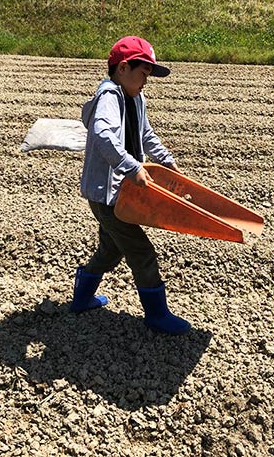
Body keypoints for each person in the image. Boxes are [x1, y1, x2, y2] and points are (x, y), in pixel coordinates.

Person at [71, 36, 190, 335]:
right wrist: (132, 167)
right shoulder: (110, 96)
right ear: (123, 68)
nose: (146, 81)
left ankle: (81, 298)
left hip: (118, 193)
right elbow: (103, 135)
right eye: (143, 74)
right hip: (106, 194)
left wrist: (166, 161)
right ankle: (156, 315)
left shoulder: (136, 98)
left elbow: (146, 135)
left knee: (111, 250)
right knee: (142, 253)